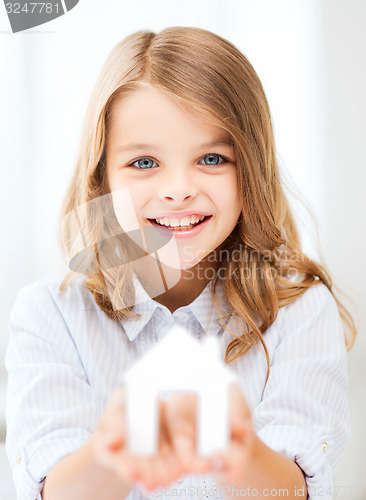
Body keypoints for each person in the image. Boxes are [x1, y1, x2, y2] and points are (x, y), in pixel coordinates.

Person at [5, 27, 356, 500]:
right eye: (145, 163)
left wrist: (238, 450)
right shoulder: (51, 315)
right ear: (102, 177)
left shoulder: (299, 312)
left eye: (212, 158)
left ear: (251, 169)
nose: (177, 189)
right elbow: (54, 490)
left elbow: (292, 491)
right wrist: (119, 446)